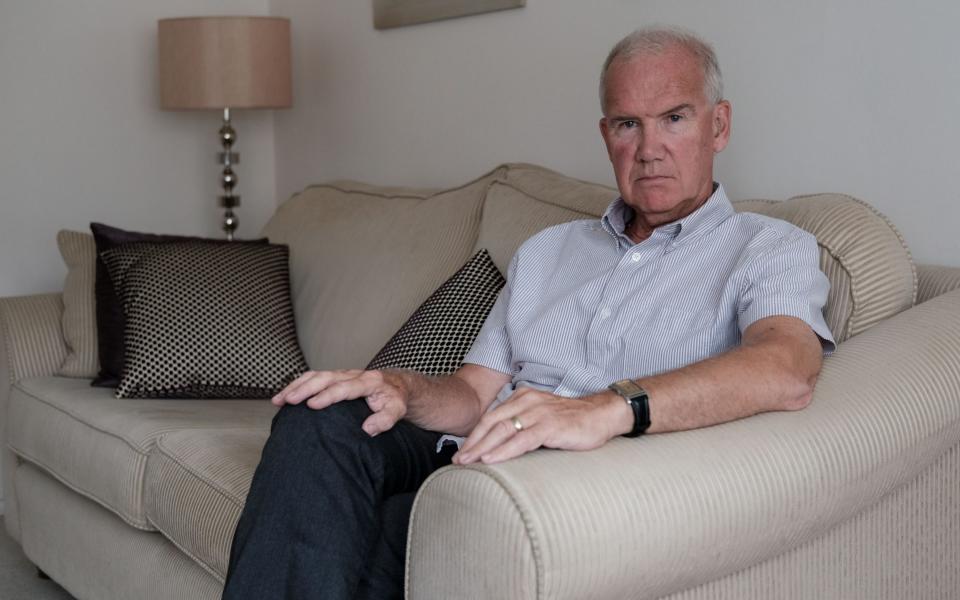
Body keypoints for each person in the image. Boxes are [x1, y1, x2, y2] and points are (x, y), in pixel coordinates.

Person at [221, 26, 834, 600]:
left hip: (552, 485)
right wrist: (399, 388)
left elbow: (786, 369)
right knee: (318, 416)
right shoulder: (551, 249)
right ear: (606, 135)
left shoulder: (767, 246)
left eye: (674, 118)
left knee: (378, 534)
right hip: (466, 447)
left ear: (718, 126)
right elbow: (473, 391)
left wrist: (607, 408)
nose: (649, 149)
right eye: (628, 125)